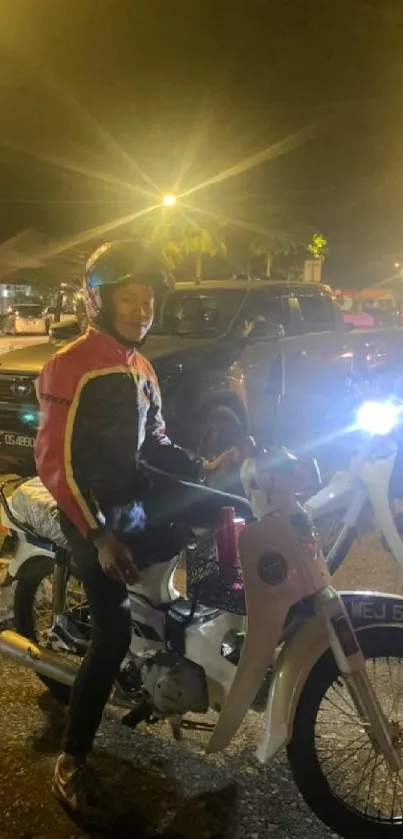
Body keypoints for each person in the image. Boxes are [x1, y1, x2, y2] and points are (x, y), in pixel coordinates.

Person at [35, 239, 251, 823]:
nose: (141, 309)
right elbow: (54, 463)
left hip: (131, 503)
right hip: (88, 513)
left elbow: (153, 443)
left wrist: (207, 470)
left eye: (148, 299)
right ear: (99, 300)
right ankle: (73, 760)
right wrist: (99, 536)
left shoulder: (141, 366)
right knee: (108, 637)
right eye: (128, 298)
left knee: (224, 511)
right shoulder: (70, 363)